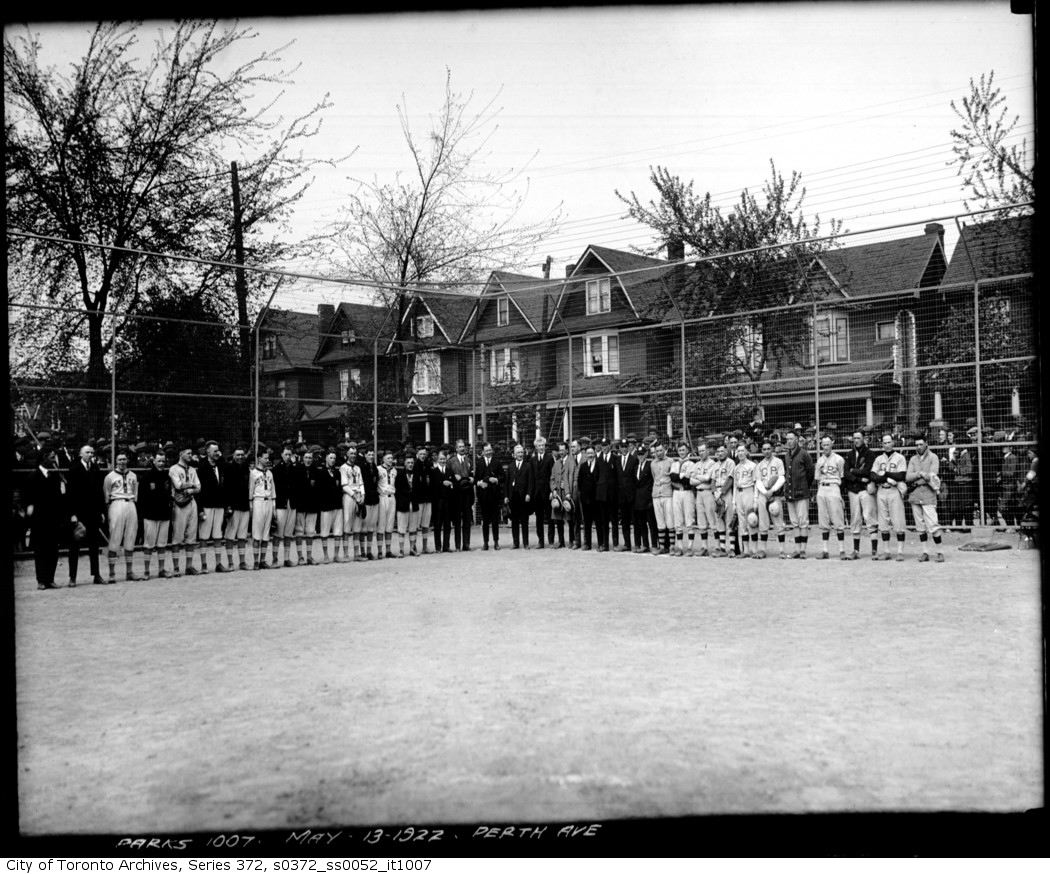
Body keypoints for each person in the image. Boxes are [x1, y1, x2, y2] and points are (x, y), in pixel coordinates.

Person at [24, 445, 70, 590]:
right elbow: (28, 497)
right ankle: (41, 580)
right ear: (43, 458)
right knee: (40, 550)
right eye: (51, 457)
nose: (53, 459)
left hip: (53, 518)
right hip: (39, 519)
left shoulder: (55, 476)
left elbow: (59, 497)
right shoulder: (33, 476)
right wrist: (29, 507)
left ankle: (50, 579)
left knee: (53, 550)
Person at [67, 443, 107, 586]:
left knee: (94, 546)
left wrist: (102, 511)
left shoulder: (95, 468)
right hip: (79, 513)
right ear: (81, 454)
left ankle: (96, 575)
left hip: (94, 513)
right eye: (88, 452)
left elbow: (99, 492)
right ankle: (72, 577)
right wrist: (72, 514)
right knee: (75, 546)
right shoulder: (74, 469)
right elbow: (70, 493)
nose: (91, 454)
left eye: (92, 452)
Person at [103, 451, 143, 582]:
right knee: (115, 537)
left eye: (124, 459)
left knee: (131, 536)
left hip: (130, 503)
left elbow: (135, 493)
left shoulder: (133, 475)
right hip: (116, 503)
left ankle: (129, 572)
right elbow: (107, 495)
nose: (122, 462)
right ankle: (112, 573)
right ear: (115, 461)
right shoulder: (110, 476)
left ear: (127, 460)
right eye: (119, 460)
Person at [906, 436, 945, 562]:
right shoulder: (913, 459)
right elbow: (908, 476)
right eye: (916, 444)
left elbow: (932, 475)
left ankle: (940, 552)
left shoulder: (933, 457)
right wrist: (920, 473)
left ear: (926, 444)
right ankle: (925, 552)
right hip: (915, 495)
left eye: (921, 444)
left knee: (933, 524)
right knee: (920, 526)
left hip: (928, 494)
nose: (918, 447)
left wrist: (920, 477)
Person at [871, 433, 908, 560]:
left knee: (898, 521)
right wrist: (888, 477)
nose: (887, 445)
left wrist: (885, 474)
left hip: (894, 490)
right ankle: (886, 551)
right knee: (883, 522)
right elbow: (873, 476)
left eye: (889, 442)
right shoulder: (878, 459)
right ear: (882, 444)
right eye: (884, 443)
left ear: (893, 443)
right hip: (882, 490)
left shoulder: (900, 458)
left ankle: (900, 552)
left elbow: (901, 476)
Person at [842, 430, 878, 560]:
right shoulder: (850, 454)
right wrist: (857, 477)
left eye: (858, 438)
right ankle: (856, 551)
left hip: (865, 489)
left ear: (864, 439)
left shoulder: (870, 454)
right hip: (853, 489)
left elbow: (867, 471)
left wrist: (854, 471)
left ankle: (874, 550)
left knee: (869, 516)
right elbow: (846, 472)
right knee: (855, 518)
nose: (856, 440)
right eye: (854, 438)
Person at [139, 449, 174, 579]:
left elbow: (170, 494)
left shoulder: (167, 476)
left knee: (162, 544)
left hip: (164, 514)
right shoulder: (146, 477)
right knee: (148, 544)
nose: (161, 463)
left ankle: (161, 569)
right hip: (150, 515)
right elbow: (141, 498)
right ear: (153, 461)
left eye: (163, 461)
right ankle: (146, 571)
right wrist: (143, 515)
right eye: (159, 461)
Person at [168, 443, 202, 575]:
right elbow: (177, 485)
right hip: (179, 503)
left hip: (192, 502)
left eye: (191, 453)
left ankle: (189, 566)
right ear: (181, 454)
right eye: (188, 453)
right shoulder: (174, 469)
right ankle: (176, 567)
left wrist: (190, 488)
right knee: (177, 535)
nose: (190, 455)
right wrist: (192, 486)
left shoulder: (192, 470)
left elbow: (199, 488)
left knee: (191, 535)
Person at [782, 431, 815, 559]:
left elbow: (810, 472)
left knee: (803, 522)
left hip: (802, 492)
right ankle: (796, 549)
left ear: (797, 439)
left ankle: (803, 550)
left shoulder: (804, 454)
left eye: (791, 438)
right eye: (787, 439)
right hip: (790, 493)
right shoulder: (787, 455)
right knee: (794, 522)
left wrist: (804, 486)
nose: (789, 441)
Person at [814, 436, 847, 560]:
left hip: (834, 487)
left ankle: (842, 550)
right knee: (823, 520)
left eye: (828, 444)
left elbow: (842, 477)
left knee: (837, 519)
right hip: (822, 488)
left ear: (832, 444)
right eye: (823, 445)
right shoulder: (819, 461)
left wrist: (840, 494)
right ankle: (825, 550)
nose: (826, 447)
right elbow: (817, 478)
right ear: (821, 445)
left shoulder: (839, 459)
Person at [196, 440, 227, 573]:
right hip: (207, 505)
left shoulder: (221, 464)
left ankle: (218, 563)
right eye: (214, 451)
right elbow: (199, 490)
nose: (217, 453)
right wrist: (200, 509)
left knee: (218, 535)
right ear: (207, 451)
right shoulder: (201, 466)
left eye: (218, 451)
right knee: (203, 536)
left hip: (219, 504)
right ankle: (204, 565)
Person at [754, 440, 786, 559]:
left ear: (772, 449)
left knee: (778, 520)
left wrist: (772, 490)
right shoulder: (759, 465)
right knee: (763, 523)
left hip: (775, 494)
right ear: (761, 451)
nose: (766, 451)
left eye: (768, 449)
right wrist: (765, 492)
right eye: (764, 449)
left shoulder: (778, 462)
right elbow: (758, 481)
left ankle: (782, 550)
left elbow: (782, 478)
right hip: (763, 495)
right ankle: (762, 550)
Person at [222, 447, 251, 571]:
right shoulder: (228, 468)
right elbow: (225, 488)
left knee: (242, 536)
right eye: (238, 455)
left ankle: (242, 562)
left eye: (242, 455)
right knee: (230, 536)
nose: (240, 457)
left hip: (244, 506)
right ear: (233, 455)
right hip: (233, 507)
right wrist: (227, 507)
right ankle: (230, 563)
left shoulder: (246, 468)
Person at [248, 450, 277, 569]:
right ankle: (255, 561)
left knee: (266, 532)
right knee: (257, 532)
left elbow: (273, 490)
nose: (267, 460)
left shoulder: (270, 473)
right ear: (259, 458)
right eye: (265, 458)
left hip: (269, 501)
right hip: (258, 501)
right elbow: (251, 489)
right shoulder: (253, 473)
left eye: (268, 458)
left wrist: (274, 506)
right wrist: (251, 504)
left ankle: (263, 560)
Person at [271, 445, 298, 567]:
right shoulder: (276, 469)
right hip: (281, 504)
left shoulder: (294, 468)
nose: (288, 457)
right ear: (282, 455)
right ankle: (275, 559)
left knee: (288, 533)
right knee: (278, 533)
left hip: (291, 504)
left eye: (289, 454)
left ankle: (286, 558)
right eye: (286, 454)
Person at [690, 442, 718, 557]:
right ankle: (704, 547)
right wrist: (700, 479)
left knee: (712, 520)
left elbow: (708, 479)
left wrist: (697, 477)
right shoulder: (696, 464)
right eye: (699, 451)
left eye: (703, 450)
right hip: (699, 493)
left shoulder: (712, 463)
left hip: (708, 493)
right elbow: (691, 481)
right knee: (701, 521)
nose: (701, 453)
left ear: (708, 451)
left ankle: (717, 546)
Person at [669, 441, 697, 556]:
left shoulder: (691, 464)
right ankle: (680, 547)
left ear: (687, 450)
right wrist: (681, 476)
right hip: (676, 493)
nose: (681, 452)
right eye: (680, 450)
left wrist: (679, 477)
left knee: (689, 519)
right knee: (678, 520)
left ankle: (690, 547)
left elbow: (688, 481)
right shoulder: (675, 464)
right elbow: (672, 477)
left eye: (683, 450)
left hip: (687, 492)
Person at [731, 444, 759, 558]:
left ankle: (755, 550)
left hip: (749, 491)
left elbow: (756, 483)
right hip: (739, 493)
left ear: (746, 452)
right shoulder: (736, 468)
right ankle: (746, 550)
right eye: (738, 451)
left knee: (751, 520)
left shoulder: (752, 466)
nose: (740, 453)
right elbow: (734, 485)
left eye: (742, 451)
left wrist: (756, 499)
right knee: (742, 523)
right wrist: (733, 502)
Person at [474, 442, 504, 550]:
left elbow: (503, 477)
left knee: (495, 520)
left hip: (494, 495)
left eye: (490, 450)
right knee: (485, 520)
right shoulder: (479, 462)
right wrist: (480, 483)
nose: (488, 452)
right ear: (483, 452)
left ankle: (496, 542)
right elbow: (476, 479)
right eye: (486, 450)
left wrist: (496, 480)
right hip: (483, 496)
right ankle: (485, 542)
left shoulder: (497, 462)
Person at [504, 443, 534, 549]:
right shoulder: (511, 466)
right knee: (514, 521)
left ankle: (526, 543)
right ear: (514, 454)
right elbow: (507, 482)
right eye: (518, 453)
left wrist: (529, 494)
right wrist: (506, 496)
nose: (520, 454)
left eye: (521, 452)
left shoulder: (528, 466)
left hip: (524, 497)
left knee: (524, 521)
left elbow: (531, 482)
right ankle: (516, 543)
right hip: (513, 498)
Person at [294, 449, 320, 565]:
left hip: (312, 505)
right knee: (299, 531)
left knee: (310, 531)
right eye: (306, 457)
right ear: (302, 458)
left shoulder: (316, 470)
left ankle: (309, 556)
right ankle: (300, 557)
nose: (308, 460)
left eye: (310, 458)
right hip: (300, 505)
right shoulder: (297, 469)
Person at [340, 444, 365, 561]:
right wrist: (354, 496)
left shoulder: (358, 468)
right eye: (351, 453)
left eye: (355, 454)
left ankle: (357, 553)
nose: (353, 456)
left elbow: (361, 483)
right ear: (347, 455)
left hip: (359, 496)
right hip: (349, 497)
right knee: (347, 523)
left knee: (357, 525)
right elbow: (344, 485)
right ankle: (345, 554)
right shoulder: (343, 468)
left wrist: (362, 496)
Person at [448, 439, 475, 550]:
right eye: (460, 447)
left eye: (463, 446)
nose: (462, 448)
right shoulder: (451, 461)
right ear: (456, 448)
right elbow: (449, 476)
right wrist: (455, 478)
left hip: (468, 493)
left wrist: (472, 478)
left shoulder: (469, 460)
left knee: (467, 520)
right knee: (458, 520)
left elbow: (473, 473)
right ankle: (458, 544)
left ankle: (466, 544)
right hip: (457, 494)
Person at [528, 436, 555, 548]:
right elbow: (531, 478)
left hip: (547, 492)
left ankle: (551, 541)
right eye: (539, 446)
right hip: (537, 494)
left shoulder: (549, 458)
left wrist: (551, 491)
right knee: (539, 518)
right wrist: (531, 492)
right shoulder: (532, 460)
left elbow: (552, 476)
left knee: (550, 517)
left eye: (543, 445)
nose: (541, 447)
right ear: (536, 447)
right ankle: (541, 541)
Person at [649, 441, 674, 555]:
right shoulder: (653, 463)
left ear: (665, 450)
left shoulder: (670, 461)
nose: (659, 453)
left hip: (667, 493)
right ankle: (662, 546)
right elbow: (654, 477)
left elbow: (672, 477)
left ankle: (672, 546)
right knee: (660, 522)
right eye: (657, 451)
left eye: (660, 450)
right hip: (656, 494)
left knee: (670, 521)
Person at [711, 445, 736, 557]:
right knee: (719, 520)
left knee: (729, 520)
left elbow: (730, 479)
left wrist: (721, 493)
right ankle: (722, 549)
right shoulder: (715, 464)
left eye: (722, 451)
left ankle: (732, 548)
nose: (720, 453)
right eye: (718, 451)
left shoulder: (730, 462)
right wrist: (715, 493)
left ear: (726, 452)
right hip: (717, 494)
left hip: (727, 493)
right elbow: (712, 481)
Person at [614, 436, 638, 552]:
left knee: (635, 520)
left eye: (625, 447)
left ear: (628, 447)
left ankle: (637, 544)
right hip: (621, 496)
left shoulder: (634, 460)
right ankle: (627, 544)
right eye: (621, 447)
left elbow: (635, 478)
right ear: (619, 448)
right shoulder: (617, 460)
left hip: (631, 495)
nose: (623, 449)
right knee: (624, 522)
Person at [394, 454, 420, 557]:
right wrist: (401, 502)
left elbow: (418, 490)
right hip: (403, 505)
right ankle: (401, 550)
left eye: (412, 463)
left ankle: (412, 548)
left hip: (414, 504)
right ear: (404, 464)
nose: (410, 465)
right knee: (401, 528)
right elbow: (397, 491)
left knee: (413, 527)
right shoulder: (400, 475)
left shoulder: (417, 475)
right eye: (408, 463)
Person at [577, 445, 601, 551]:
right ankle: (587, 544)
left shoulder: (599, 465)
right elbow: (579, 482)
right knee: (587, 523)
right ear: (585, 455)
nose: (590, 455)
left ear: (595, 453)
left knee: (599, 522)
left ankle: (601, 543)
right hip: (586, 500)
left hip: (596, 500)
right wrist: (583, 496)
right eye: (588, 453)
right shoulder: (583, 466)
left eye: (592, 453)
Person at [597, 437, 620, 549]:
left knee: (614, 520)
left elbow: (618, 476)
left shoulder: (616, 458)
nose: (604, 447)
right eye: (602, 445)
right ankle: (604, 544)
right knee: (603, 520)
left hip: (613, 495)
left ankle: (615, 543)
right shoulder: (598, 459)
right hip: (602, 495)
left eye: (606, 445)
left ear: (610, 446)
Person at [430, 448, 455, 553]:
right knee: (438, 525)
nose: (442, 461)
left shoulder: (449, 471)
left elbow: (453, 483)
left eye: (444, 459)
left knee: (447, 525)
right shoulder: (433, 472)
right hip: (438, 502)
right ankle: (438, 547)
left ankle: (446, 546)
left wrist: (451, 484)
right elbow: (432, 486)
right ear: (437, 460)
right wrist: (442, 483)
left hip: (448, 501)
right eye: (441, 459)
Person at [631, 442, 653, 554]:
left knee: (649, 523)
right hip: (637, 500)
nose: (640, 456)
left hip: (647, 499)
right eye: (639, 454)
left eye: (642, 454)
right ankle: (640, 544)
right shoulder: (635, 468)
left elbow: (651, 483)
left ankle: (651, 545)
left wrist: (650, 499)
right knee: (639, 523)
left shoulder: (649, 466)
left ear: (646, 454)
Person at [547, 442, 570, 549]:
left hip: (567, 494)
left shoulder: (571, 462)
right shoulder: (556, 464)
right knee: (559, 519)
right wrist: (554, 489)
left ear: (567, 450)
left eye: (562, 450)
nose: (561, 452)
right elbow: (551, 478)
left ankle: (573, 541)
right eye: (559, 450)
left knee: (570, 518)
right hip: (558, 495)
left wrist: (565, 485)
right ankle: (561, 541)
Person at [360, 448, 381, 559]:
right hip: (366, 499)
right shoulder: (362, 468)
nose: (371, 457)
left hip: (374, 499)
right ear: (365, 456)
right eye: (369, 455)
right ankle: (362, 551)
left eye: (373, 455)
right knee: (364, 527)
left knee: (371, 527)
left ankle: (369, 551)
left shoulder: (375, 468)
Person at [376, 451, 398, 560]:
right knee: (381, 524)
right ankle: (380, 551)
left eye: (391, 458)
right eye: (388, 458)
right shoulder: (378, 469)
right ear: (383, 459)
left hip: (392, 498)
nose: (391, 460)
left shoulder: (394, 470)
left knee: (390, 525)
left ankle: (388, 550)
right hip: (382, 497)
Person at [413, 446, 434, 554]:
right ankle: (414, 546)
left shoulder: (428, 465)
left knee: (426, 524)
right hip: (419, 500)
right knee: (416, 525)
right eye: (421, 454)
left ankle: (425, 547)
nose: (423, 456)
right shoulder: (415, 466)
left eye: (424, 454)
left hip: (428, 499)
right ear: (417, 455)